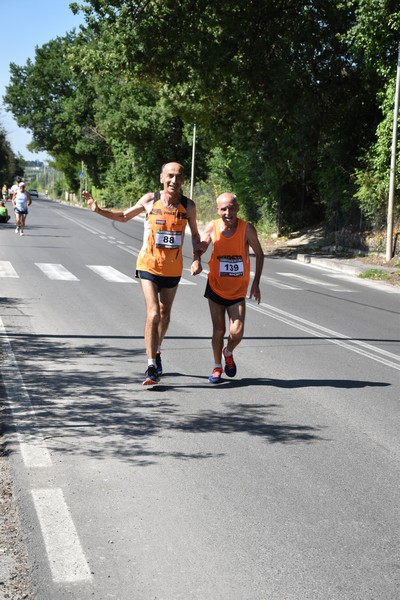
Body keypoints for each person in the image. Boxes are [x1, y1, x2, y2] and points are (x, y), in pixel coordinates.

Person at [82, 162, 202, 385]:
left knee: (165, 314)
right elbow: (124, 216)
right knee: (153, 312)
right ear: (161, 178)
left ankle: (157, 351)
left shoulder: (189, 206)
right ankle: (150, 366)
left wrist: (196, 258)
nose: (174, 180)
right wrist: (98, 210)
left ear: (184, 180)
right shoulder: (150, 200)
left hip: (173, 269)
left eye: (178, 176)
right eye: (170, 176)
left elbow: (196, 236)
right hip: (148, 265)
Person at [195, 192, 264, 383]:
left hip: (237, 291)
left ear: (238, 208)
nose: (228, 212)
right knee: (218, 330)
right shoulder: (212, 227)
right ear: (218, 210)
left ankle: (228, 351)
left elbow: (260, 254)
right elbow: (201, 246)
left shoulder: (247, 229)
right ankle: (217, 367)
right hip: (216, 287)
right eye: (223, 209)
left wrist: (256, 282)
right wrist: (196, 260)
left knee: (237, 331)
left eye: (231, 208)